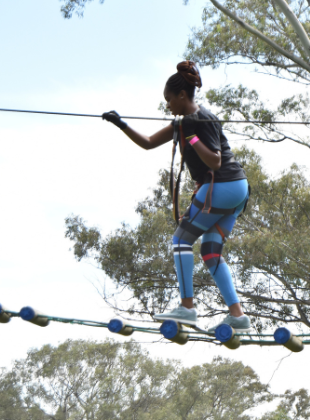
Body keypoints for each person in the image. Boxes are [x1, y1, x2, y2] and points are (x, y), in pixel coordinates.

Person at [100, 61, 251, 332]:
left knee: (181, 239)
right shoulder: (183, 123)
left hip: (224, 185)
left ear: (182, 96)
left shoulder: (201, 119)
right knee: (210, 252)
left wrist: (192, 138)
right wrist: (120, 124)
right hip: (235, 191)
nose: (168, 105)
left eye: (169, 99)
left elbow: (215, 162)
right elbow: (147, 143)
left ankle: (187, 308)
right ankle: (238, 316)